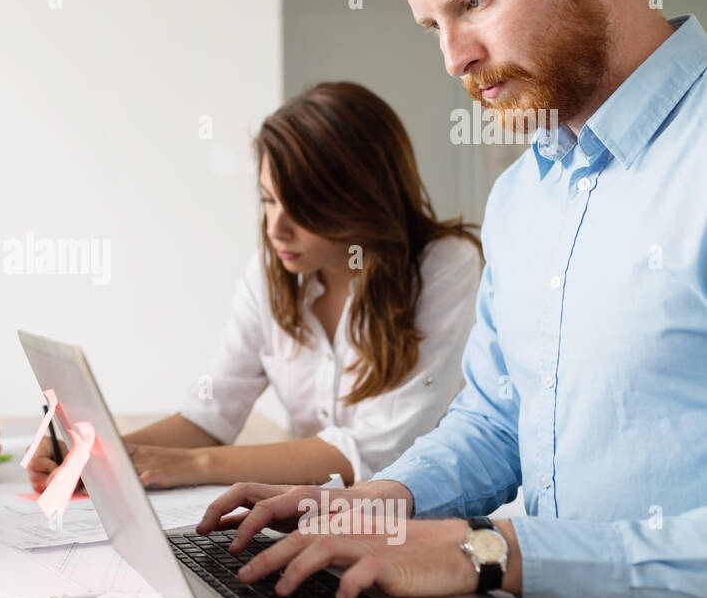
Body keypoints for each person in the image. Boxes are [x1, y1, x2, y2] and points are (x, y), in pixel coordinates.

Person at [197, 0, 707, 598]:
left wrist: (490, 551)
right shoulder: (522, 198)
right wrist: (368, 504)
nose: (454, 57)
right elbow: (499, 418)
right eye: (432, 23)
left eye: (474, 3)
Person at [29, 81, 482, 490]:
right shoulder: (270, 276)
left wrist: (194, 466)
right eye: (268, 200)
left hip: (421, 524)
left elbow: (376, 450)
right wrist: (94, 454)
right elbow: (210, 414)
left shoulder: (446, 268)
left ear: (361, 200)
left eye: (302, 207)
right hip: (325, 518)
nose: (276, 229)